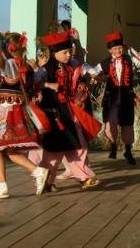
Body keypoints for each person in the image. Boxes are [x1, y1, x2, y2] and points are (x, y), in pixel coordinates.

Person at [0, 24, 48, 199]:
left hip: (8, 112)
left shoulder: (10, 64)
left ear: (8, 49)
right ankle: (34, 173)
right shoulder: (28, 67)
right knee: (9, 151)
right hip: (19, 110)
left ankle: (7, 185)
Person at [37, 29, 102, 191]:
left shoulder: (70, 65)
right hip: (53, 114)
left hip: (69, 112)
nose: (68, 55)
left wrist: (78, 42)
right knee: (55, 152)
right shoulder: (45, 70)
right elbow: (33, 84)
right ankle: (46, 181)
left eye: (69, 51)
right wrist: (47, 85)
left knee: (78, 145)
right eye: (65, 52)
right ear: (54, 53)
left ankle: (85, 178)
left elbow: (80, 60)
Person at [87, 30, 140, 165]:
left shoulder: (129, 59)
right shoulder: (106, 63)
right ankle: (113, 145)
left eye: (120, 47)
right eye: (114, 48)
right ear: (110, 50)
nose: (118, 51)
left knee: (127, 125)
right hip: (112, 98)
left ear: (124, 47)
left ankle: (128, 150)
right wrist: (97, 78)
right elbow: (94, 72)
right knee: (110, 124)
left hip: (126, 97)